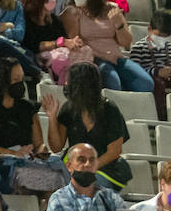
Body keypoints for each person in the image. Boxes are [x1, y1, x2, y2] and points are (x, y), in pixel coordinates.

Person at [44, 62, 132, 191]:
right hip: (75, 167)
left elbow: (114, 151)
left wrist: (88, 168)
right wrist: (52, 118)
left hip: (104, 169)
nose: (66, 85)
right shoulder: (68, 109)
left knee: (90, 186)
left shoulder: (109, 109)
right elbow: (56, 147)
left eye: (69, 81)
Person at [0, 58, 52, 194]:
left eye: (21, 78)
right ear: (2, 82)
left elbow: (39, 144)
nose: (20, 83)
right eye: (15, 79)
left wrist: (41, 153)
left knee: (56, 166)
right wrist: (13, 154)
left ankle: (48, 207)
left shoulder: (28, 108)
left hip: (28, 160)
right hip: (0, 161)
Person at [64, 0, 152, 92]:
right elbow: (74, 42)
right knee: (113, 82)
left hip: (117, 58)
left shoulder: (112, 8)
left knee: (146, 83)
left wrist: (118, 24)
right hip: (94, 60)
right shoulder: (73, 12)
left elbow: (126, 42)